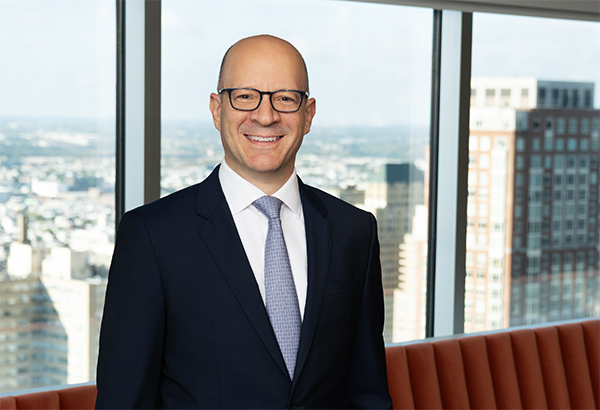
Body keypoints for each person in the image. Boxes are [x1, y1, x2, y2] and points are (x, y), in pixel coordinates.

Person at [95, 34, 392, 409]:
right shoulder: (153, 237)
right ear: (216, 109)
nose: (265, 116)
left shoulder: (354, 231)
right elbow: (124, 400)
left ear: (308, 114)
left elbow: (367, 392)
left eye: (285, 98)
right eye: (245, 96)